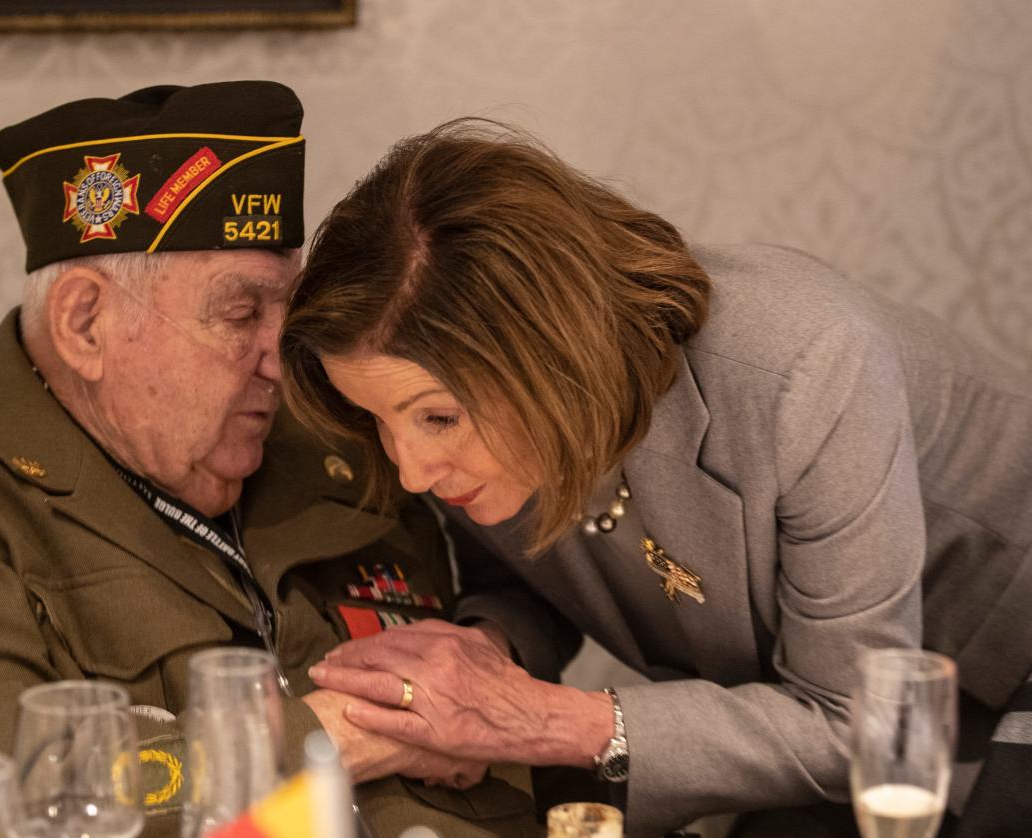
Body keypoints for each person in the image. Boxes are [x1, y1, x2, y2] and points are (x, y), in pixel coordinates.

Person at [0, 86, 540, 838]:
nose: (283, 363)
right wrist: (326, 736)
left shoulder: (336, 441)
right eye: (241, 314)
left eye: (290, 311)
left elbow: (521, 591)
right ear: (85, 323)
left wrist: (489, 658)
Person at [279, 119, 1032, 837]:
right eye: (379, 420)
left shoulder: (808, 366)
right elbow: (526, 579)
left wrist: (538, 720)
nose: (410, 471)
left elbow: (852, 724)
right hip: (821, 733)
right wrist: (478, 664)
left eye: (436, 419)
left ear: (549, 354)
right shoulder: (468, 428)